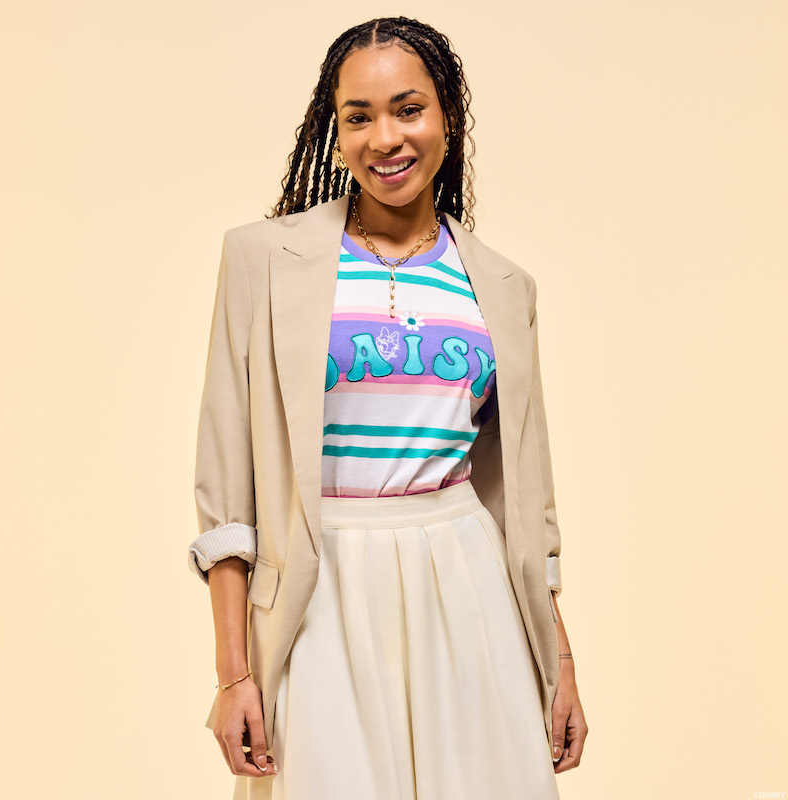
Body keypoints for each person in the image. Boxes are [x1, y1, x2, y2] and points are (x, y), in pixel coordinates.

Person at [188, 15, 588, 800]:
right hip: (321, 583)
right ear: (334, 132)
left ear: (448, 117)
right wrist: (232, 673)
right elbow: (226, 490)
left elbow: (523, 504)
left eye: (408, 109)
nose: (385, 138)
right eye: (358, 117)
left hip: (468, 581)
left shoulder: (505, 288)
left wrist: (560, 662)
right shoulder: (263, 261)